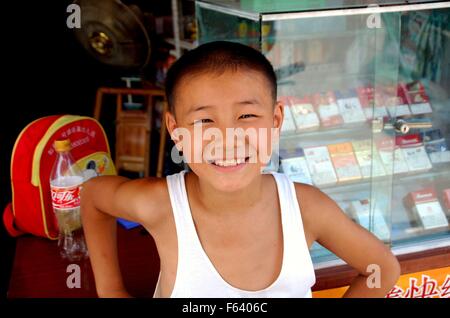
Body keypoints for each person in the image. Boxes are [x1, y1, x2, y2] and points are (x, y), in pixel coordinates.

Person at [81, 41, 400, 298]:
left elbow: (382, 268)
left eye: (246, 117)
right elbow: (94, 195)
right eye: (204, 120)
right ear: (175, 129)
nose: (227, 139)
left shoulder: (305, 207)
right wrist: (111, 289)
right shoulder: (161, 205)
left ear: (275, 121)